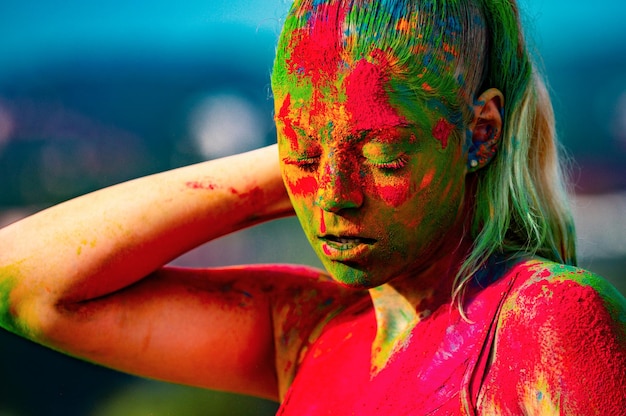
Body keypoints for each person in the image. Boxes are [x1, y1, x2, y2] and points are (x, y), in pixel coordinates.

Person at [1, 0, 625, 414]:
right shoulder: (313, 332)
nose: (333, 197)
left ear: (479, 132)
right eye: (298, 155)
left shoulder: (543, 322)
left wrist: (322, 142)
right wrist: (318, 146)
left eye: (384, 157)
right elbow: (26, 283)